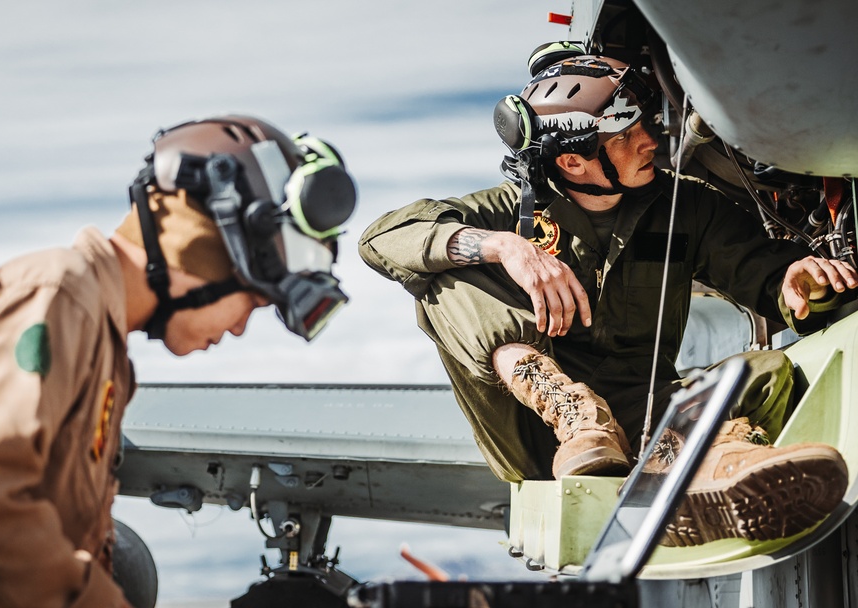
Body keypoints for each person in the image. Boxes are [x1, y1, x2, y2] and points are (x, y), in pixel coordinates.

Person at [0, 115, 357, 608]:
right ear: (203, 243)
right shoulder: (55, 293)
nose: (239, 326)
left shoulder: (99, 345)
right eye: (253, 299)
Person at [359, 44, 854, 547]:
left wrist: (799, 285)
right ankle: (576, 415)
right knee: (440, 280)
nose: (650, 142)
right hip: (539, 432)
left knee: (764, 374)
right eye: (628, 134)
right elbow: (381, 239)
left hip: (648, 412)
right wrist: (502, 246)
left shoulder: (685, 205)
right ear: (573, 159)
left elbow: (764, 275)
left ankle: (702, 469)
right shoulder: (506, 213)